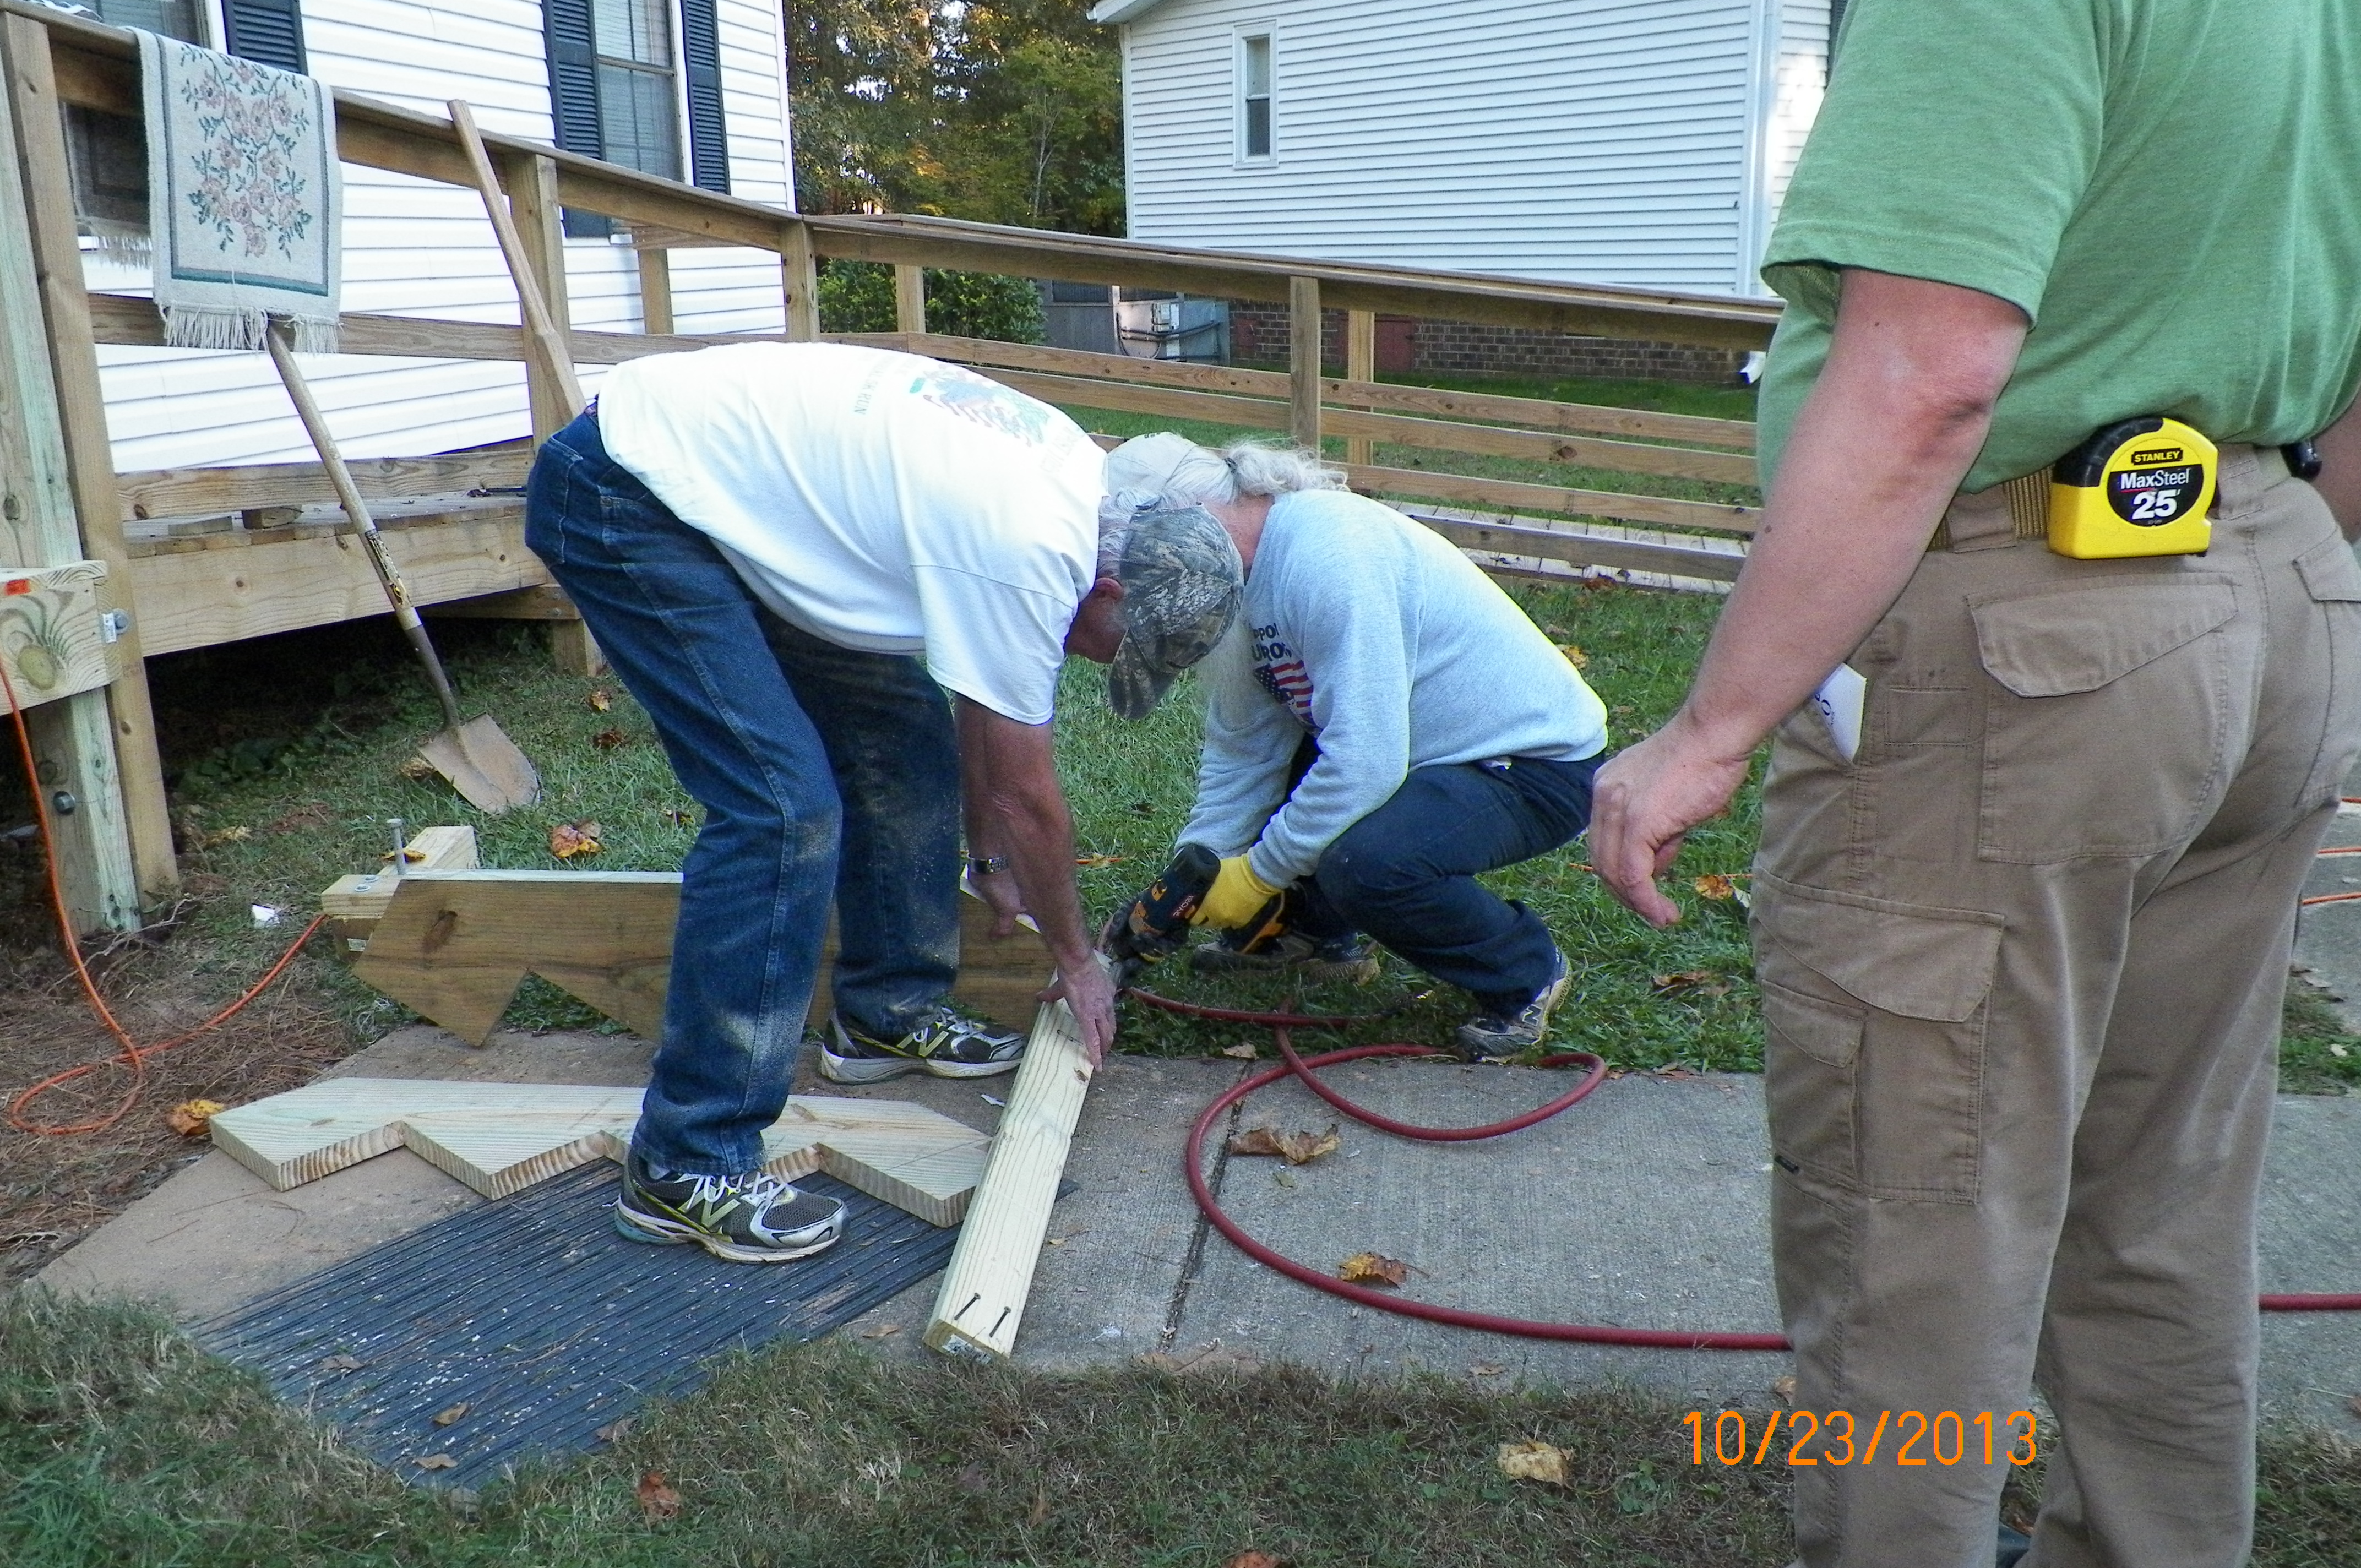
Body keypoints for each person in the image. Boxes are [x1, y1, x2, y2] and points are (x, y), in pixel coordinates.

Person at [1587, 3, 2361, 1564]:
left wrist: (1712, 730)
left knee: (1919, 1233)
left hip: (2036, 632)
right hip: (2282, 572)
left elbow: (1936, 372)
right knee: (2168, 1202)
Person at [523, 342, 1243, 1263]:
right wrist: (1076, 957)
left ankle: (885, 1008)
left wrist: (984, 858)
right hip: (629, 494)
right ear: (1108, 586)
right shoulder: (1029, 549)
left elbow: (989, 711)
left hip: (733, 493)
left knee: (900, 735)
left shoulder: (1078, 500)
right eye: (1120, 646)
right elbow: (1030, 795)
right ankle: (686, 1158)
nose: (1104, 662)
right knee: (780, 810)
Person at [1103, 434, 1609, 1057]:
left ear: (1191, 512)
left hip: (1528, 766)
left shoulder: (1330, 553)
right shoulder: (1242, 583)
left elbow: (1366, 763)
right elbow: (1244, 748)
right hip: (1417, 750)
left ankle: (1526, 973)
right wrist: (1198, 867)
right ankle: (1317, 938)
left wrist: (1258, 874)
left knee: (1366, 863)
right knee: (1309, 785)